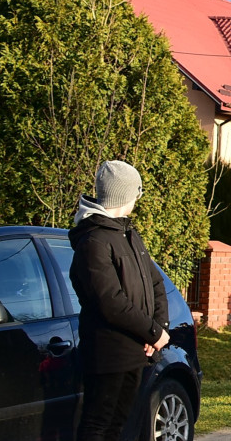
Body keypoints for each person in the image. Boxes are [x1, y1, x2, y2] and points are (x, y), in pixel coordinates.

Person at [69, 160, 170, 441]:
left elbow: (156, 283)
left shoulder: (129, 235)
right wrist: (153, 332)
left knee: (119, 427)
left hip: (137, 350)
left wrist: (158, 329)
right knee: (97, 426)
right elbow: (109, 301)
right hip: (107, 353)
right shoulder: (93, 241)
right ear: (126, 194)